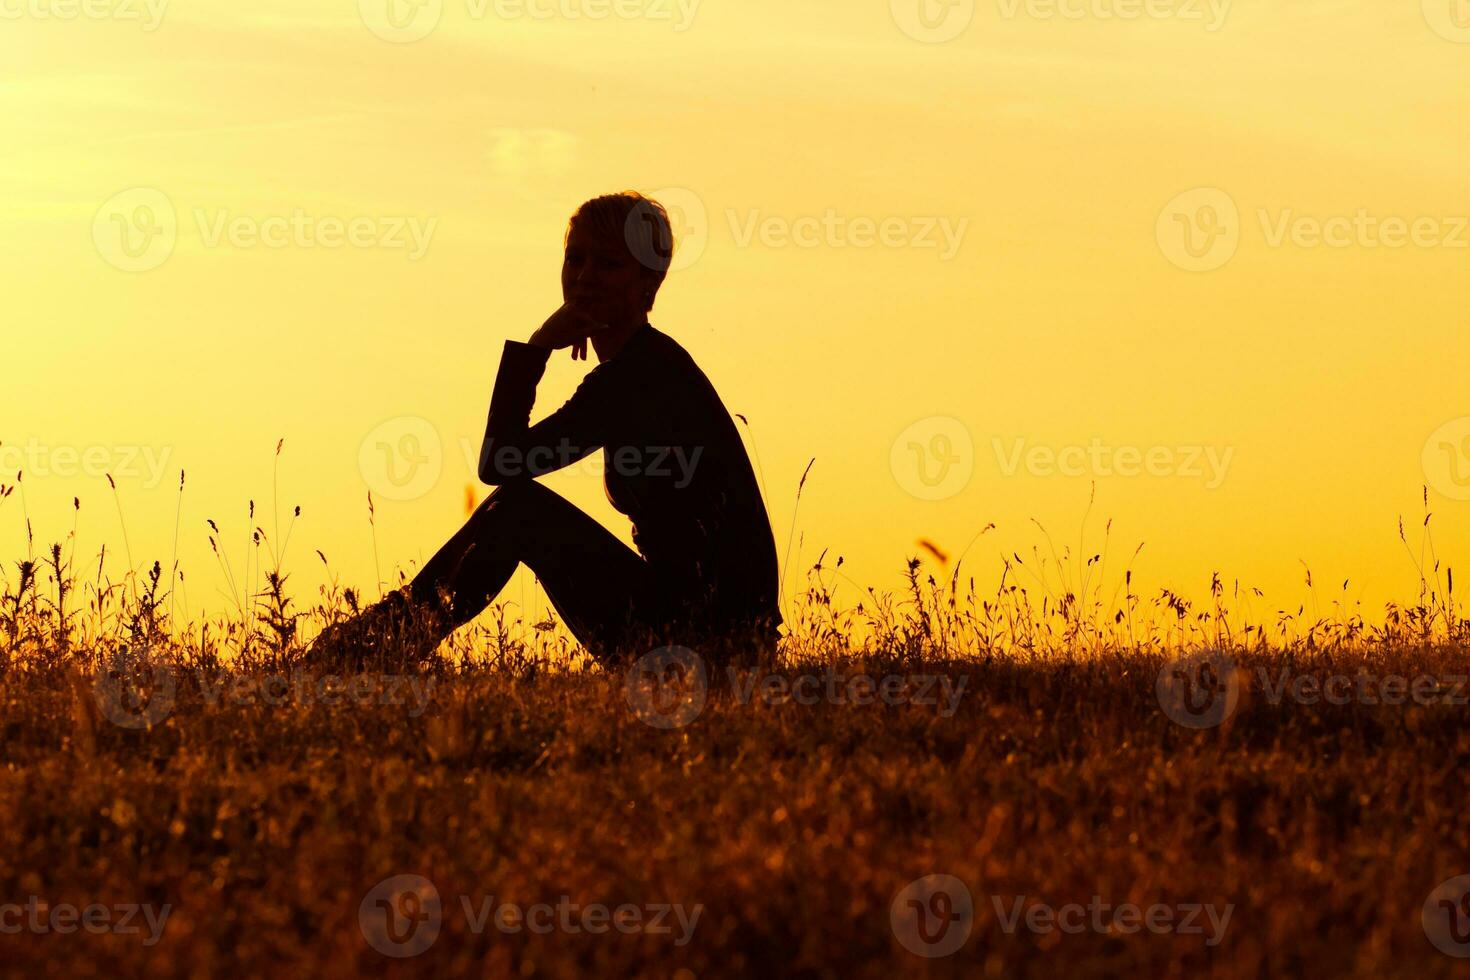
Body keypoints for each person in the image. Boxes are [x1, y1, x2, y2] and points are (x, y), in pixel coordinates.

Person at [306, 191, 783, 669]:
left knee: (518, 510)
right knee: (516, 507)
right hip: (696, 630)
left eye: (609, 264)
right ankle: (373, 643)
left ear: (648, 283)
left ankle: (368, 648)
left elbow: (501, 463)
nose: (585, 276)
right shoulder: (638, 367)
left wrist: (534, 351)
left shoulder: (643, 375)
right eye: (575, 258)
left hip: (713, 642)